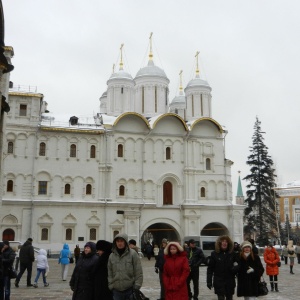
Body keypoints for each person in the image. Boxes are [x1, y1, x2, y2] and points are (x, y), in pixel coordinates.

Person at [108, 233, 143, 300]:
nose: (119, 243)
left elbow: (138, 271)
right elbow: (110, 272)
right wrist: (111, 285)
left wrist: (137, 286)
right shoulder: (112, 256)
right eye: (118, 241)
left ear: (125, 242)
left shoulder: (133, 254)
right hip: (116, 290)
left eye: (121, 241)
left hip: (130, 289)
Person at [206, 235, 239, 300]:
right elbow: (210, 269)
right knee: (220, 298)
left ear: (228, 243)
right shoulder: (214, 254)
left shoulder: (233, 254)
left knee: (229, 298)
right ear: (219, 243)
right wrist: (209, 281)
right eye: (223, 241)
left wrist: (235, 269)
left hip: (230, 281)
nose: (224, 243)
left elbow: (239, 264)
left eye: (226, 241)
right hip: (219, 281)